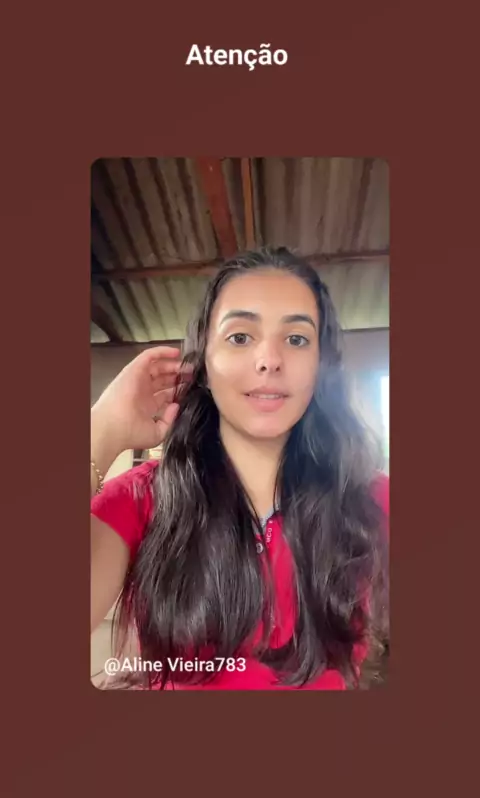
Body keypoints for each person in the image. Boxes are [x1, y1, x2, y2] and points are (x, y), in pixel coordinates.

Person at [91, 246, 389, 691]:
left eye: (296, 339)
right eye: (240, 337)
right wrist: (100, 430)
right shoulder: (138, 500)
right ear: (204, 366)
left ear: (320, 366)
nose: (269, 360)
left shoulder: (373, 499)